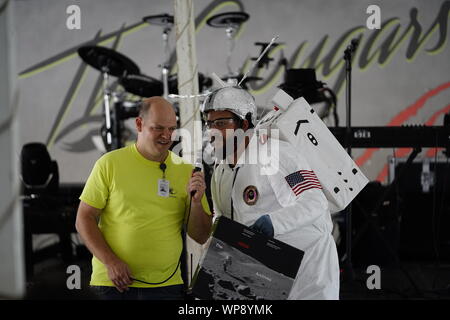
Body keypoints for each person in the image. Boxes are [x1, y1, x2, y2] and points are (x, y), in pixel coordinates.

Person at [201, 86, 340, 299]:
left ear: (244, 124)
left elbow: (315, 201)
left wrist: (274, 223)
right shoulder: (221, 171)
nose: (212, 130)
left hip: (309, 273)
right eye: (209, 123)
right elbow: (222, 224)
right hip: (264, 274)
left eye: (221, 123)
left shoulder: (277, 155)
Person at [75, 96, 212, 300]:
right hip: (112, 284)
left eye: (171, 129)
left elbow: (200, 235)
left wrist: (196, 203)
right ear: (139, 124)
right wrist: (111, 262)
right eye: (158, 128)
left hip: (166, 287)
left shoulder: (187, 172)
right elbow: (84, 218)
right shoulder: (109, 164)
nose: (166, 136)